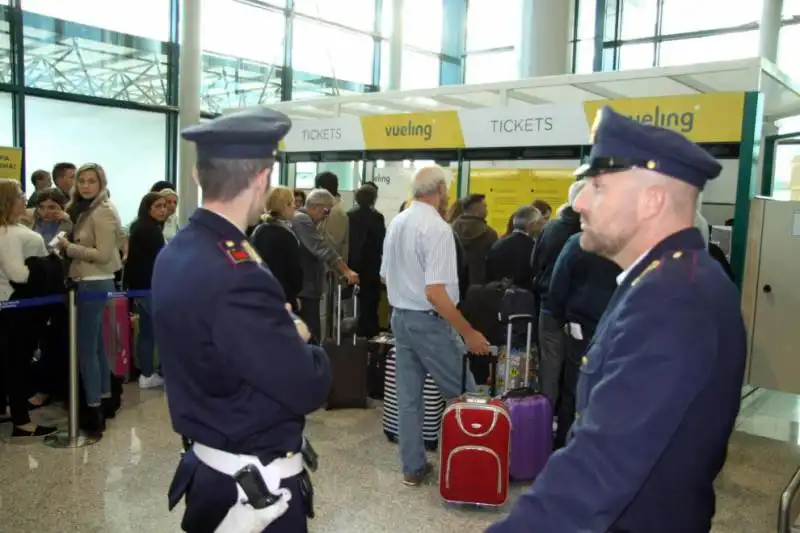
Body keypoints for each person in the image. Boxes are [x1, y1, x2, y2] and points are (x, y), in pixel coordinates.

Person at [486, 106, 747, 533]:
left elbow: (599, 469)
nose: (580, 201)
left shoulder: (674, 298)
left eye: (599, 187)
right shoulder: (667, 278)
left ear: (653, 200)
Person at [152, 108, 331, 533]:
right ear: (261, 179)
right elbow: (307, 386)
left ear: (197, 175)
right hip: (253, 492)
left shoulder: (178, 250)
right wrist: (301, 338)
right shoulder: (237, 271)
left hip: (211, 464)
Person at [382, 165, 490, 487]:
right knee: (465, 395)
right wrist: (468, 332)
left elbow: (385, 275)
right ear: (440, 190)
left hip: (400, 318)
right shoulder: (438, 229)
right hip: (429, 322)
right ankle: (475, 467)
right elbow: (436, 293)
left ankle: (413, 467)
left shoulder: (398, 222)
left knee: (409, 398)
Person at [55, 163, 123, 437]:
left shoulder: (103, 211)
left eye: (91, 181)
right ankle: (103, 401)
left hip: (93, 282)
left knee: (88, 350)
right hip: (88, 281)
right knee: (95, 346)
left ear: (101, 183)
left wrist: (69, 248)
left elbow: (104, 254)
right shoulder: (86, 209)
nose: (85, 185)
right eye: (81, 181)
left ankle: (94, 408)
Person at [547, 231, 621, 449]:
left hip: (583, 328)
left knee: (574, 392)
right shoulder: (630, 239)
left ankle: (567, 449)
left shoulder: (578, 242)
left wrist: (562, 318)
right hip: (621, 326)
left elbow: (557, 285)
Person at [0, 179, 58, 439]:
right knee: (18, 362)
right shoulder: (8, 233)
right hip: (16, 308)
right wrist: (42, 265)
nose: (26, 199)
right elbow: (18, 274)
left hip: (9, 305)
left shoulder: (10, 229)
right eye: (21, 195)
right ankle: (22, 421)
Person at [530, 180, 584, 407]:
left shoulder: (550, 227)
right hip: (579, 311)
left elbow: (534, 263)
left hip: (548, 306)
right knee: (578, 368)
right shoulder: (589, 233)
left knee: (550, 365)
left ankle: (544, 418)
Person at [291, 188, 359, 341]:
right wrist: (346, 270)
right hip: (304, 288)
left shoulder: (308, 222)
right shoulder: (301, 220)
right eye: (326, 212)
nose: (326, 217)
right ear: (315, 207)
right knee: (311, 333)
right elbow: (321, 248)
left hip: (308, 287)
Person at [124, 192, 168, 389]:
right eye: (158, 206)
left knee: (147, 332)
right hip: (150, 287)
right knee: (164, 332)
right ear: (148, 208)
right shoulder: (152, 231)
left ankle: (147, 374)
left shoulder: (138, 226)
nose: (163, 210)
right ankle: (164, 374)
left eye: (164, 206)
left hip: (138, 288)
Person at [250, 186, 303, 311]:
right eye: (292, 203)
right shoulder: (286, 235)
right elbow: (293, 271)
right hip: (282, 297)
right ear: (285, 206)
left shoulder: (258, 230)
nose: (295, 206)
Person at [347, 184, 385, 338]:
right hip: (372, 265)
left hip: (353, 264)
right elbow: (381, 241)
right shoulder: (377, 217)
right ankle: (369, 334)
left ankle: (353, 332)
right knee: (370, 302)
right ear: (374, 199)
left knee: (353, 301)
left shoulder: (349, 215)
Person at [485, 205, 542, 292]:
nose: (542, 227)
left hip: (496, 296)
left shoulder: (499, 243)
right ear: (532, 225)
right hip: (521, 299)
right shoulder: (532, 247)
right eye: (540, 223)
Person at [451, 193, 498, 287]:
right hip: (479, 286)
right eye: (484, 206)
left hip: (453, 282)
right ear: (477, 209)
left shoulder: (450, 229)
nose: (487, 210)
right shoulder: (490, 233)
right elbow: (493, 263)